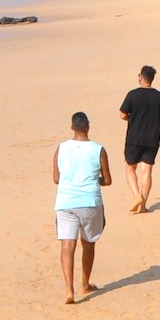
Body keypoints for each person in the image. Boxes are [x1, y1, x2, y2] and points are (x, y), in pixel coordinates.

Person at [52, 111, 111, 304]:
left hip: (65, 201)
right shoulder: (98, 149)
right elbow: (108, 180)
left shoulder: (61, 148)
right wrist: (95, 180)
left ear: (72, 127)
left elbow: (56, 178)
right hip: (89, 201)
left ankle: (69, 290)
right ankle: (85, 283)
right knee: (88, 243)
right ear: (88, 126)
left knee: (67, 245)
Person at [117, 64, 160, 214]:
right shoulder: (159, 96)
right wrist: (153, 121)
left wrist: (133, 119)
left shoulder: (132, 95)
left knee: (130, 168)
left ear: (141, 78)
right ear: (152, 79)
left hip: (134, 137)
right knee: (146, 171)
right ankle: (143, 205)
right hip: (152, 138)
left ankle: (137, 196)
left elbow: (122, 115)